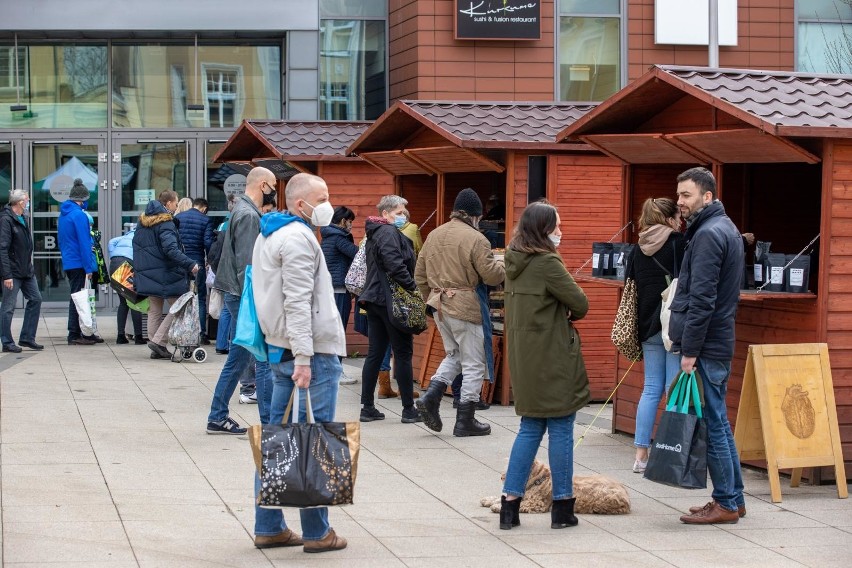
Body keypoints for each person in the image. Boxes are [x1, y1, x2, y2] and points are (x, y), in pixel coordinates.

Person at [250, 172, 348, 553]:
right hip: (309, 356)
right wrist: (305, 358)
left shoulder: (270, 232)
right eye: (321, 196)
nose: (328, 202)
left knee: (280, 440)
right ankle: (317, 532)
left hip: (280, 351)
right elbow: (298, 303)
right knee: (315, 441)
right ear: (299, 204)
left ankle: (269, 525)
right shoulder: (298, 238)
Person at [500, 200, 590, 531]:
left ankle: (509, 505)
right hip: (552, 357)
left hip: (524, 359)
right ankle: (562, 508)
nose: (560, 232)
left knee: (529, 427)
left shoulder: (512, 261)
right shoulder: (548, 263)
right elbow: (580, 303)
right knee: (562, 427)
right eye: (557, 226)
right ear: (544, 230)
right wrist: (565, 312)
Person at [670, 167, 746, 525]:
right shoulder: (722, 228)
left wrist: (689, 350)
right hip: (717, 342)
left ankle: (726, 503)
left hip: (706, 346)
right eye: (679, 195)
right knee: (720, 423)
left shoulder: (709, 234)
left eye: (687, 195)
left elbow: (702, 299)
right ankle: (733, 498)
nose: (680, 202)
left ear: (707, 197)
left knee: (714, 425)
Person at [415, 188, 504, 437]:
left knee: (454, 354)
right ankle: (466, 419)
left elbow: (419, 275)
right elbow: (491, 275)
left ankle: (431, 396)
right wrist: (502, 268)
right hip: (465, 305)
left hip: (439, 304)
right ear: (475, 216)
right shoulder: (477, 239)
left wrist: (430, 301)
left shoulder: (433, 234)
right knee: (474, 363)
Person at [206, 167, 277, 434]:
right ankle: (270, 424)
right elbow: (249, 266)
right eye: (271, 185)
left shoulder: (242, 210)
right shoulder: (248, 215)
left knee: (238, 358)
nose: (274, 190)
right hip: (244, 294)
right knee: (263, 359)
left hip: (237, 292)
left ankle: (217, 416)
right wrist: (260, 301)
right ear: (261, 185)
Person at [629, 198, 686, 473]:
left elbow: (631, 286)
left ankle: (641, 456)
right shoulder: (678, 243)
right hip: (672, 325)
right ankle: (671, 454)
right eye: (678, 216)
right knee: (672, 391)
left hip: (648, 326)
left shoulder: (637, 248)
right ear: (669, 219)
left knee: (651, 388)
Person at [358, 195, 421, 424]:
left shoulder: (374, 232)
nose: (402, 216)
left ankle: (367, 407)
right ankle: (408, 409)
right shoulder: (387, 233)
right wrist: (412, 287)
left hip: (375, 299)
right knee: (403, 353)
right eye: (398, 212)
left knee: (375, 353)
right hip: (390, 300)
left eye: (404, 212)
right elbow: (394, 263)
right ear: (385, 213)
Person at [132, 190, 199, 359]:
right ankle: (159, 342)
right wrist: (190, 263)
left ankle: (157, 347)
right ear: (168, 204)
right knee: (179, 306)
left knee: (155, 309)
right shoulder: (166, 223)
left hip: (149, 273)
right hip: (165, 273)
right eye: (176, 204)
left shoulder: (143, 222)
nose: (177, 207)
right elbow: (171, 250)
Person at [57, 178, 100, 345]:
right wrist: (89, 267)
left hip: (70, 261)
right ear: (82, 199)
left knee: (77, 297)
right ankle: (75, 333)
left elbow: (62, 240)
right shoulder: (79, 216)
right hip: (79, 263)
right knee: (80, 299)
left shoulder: (64, 215)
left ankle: (83, 332)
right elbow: (84, 242)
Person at [320, 205, 359, 385]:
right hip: (338, 290)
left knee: (331, 332)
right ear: (343, 221)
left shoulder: (328, 236)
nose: (351, 225)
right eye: (350, 221)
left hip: (330, 289)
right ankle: (336, 371)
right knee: (338, 332)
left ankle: (329, 369)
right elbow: (358, 255)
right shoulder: (339, 238)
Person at [0, 189, 43, 352]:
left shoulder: (22, 218)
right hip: (12, 271)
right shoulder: (6, 219)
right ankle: (6, 341)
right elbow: (2, 248)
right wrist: (7, 275)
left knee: (36, 299)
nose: (28, 203)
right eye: (27, 200)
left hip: (26, 270)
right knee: (8, 307)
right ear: (20, 202)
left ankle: (27, 337)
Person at [175, 197, 214, 344]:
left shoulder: (178, 217)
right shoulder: (205, 220)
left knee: (182, 297)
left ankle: (181, 332)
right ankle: (201, 334)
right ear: (204, 208)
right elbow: (208, 243)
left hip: (180, 262)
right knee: (200, 298)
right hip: (197, 263)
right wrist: (210, 260)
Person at [107, 228, 144, 344]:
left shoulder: (126, 236)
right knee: (135, 301)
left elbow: (111, 242)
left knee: (123, 302)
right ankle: (138, 337)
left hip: (114, 263)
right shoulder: (142, 236)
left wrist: (114, 254)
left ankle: (120, 336)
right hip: (127, 264)